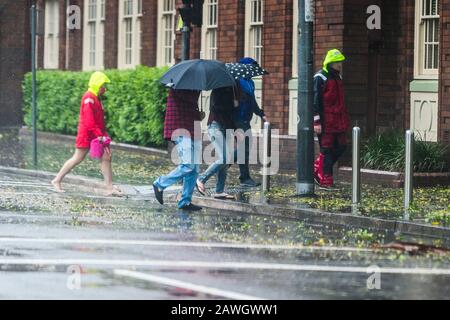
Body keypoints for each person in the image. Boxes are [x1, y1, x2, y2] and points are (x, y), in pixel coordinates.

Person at [51, 72, 123, 196]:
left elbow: (99, 121)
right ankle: (56, 180)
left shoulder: (95, 97)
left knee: (106, 157)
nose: (104, 88)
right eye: (103, 85)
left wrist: (103, 135)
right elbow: (89, 121)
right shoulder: (89, 98)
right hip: (87, 134)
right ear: (97, 84)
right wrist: (100, 135)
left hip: (96, 135)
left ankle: (109, 187)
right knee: (78, 158)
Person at [153, 89, 203, 211]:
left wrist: (199, 115)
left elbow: (191, 107)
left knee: (195, 168)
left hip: (193, 128)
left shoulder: (194, 85)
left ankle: (185, 201)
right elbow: (187, 101)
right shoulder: (179, 84)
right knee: (188, 165)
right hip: (180, 127)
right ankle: (160, 183)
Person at [313, 49, 350, 188]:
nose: (339, 64)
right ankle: (325, 179)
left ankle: (318, 167)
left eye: (340, 62)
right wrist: (316, 121)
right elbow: (315, 101)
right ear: (330, 63)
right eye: (337, 62)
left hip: (338, 120)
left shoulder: (338, 78)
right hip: (325, 121)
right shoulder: (320, 77)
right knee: (326, 149)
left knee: (342, 146)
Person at [196, 86, 237, 200]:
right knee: (224, 158)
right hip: (215, 126)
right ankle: (201, 179)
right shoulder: (217, 89)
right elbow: (215, 107)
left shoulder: (232, 90)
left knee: (226, 159)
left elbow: (231, 116)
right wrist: (232, 105)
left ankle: (219, 191)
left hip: (226, 128)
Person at [234, 57, 268, 187]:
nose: (254, 70)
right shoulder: (237, 82)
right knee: (244, 148)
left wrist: (261, 114)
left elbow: (252, 102)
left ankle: (223, 165)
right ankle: (244, 177)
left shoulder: (250, 83)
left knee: (245, 148)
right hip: (237, 119)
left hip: (245, 119)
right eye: (252, 67)